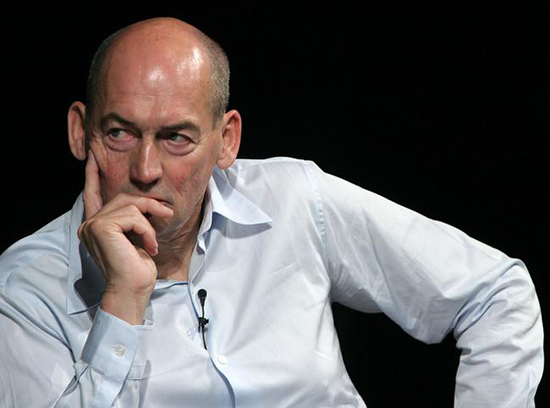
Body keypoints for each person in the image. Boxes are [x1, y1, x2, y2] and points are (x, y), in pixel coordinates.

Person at [0, 17, 543, 408]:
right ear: (81, 132)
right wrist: (121, 302)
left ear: (226, 140)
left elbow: (496, 293)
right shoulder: (24, 286)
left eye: (177, 138)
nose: (146, 169)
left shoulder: (294, 199)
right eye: (120, 133)